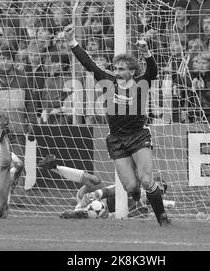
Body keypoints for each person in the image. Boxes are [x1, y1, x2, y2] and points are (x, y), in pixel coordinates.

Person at [63, 24, 170, 226]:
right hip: (116, 140)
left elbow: (153, 71)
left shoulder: (141, 83)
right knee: (131, 187)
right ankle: (136, 194)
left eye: (122, 69)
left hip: (139, 136)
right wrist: (72, 42)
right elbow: (89, 63)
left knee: (147, 180)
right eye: (116, 68)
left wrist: (146, 52)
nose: (118, 72)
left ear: (132, 71)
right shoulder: (108, 81)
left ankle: (163, 219)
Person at [38, 156, 169, 219]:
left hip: (101, 209)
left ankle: (78, 213)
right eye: (153, 187)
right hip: (93, 197)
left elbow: (126, 216)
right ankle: (55, 167)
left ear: (160, 196)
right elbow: (110, 190)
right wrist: (96, 195)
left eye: (160, 191)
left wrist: (107, 215)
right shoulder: (134, 189)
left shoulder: (145, 211)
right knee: (95, 180)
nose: (151, 192)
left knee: (98, 211)